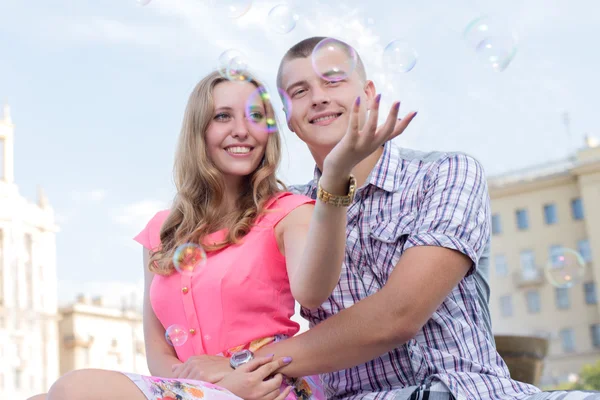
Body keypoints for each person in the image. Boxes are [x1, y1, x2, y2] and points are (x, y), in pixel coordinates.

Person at [177, 37, 600, 400]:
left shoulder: (445, 173)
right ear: (288, 118)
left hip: (461, 390)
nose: (320, 96)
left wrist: (246, 362)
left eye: (334, 80)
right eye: (301, 91)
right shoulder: (283, 211)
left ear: (368, 93)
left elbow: (398, 316)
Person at [28, 64, 415, 400]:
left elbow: (313, 291)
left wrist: (334, 176)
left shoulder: (288, 212)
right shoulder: (163, 231)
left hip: (266, 386)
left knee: (75, 390)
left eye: (254, 117)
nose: (242, 130)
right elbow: (158, 350)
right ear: (199, 130)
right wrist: (219, 385)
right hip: (202, 391)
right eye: (223, 117)